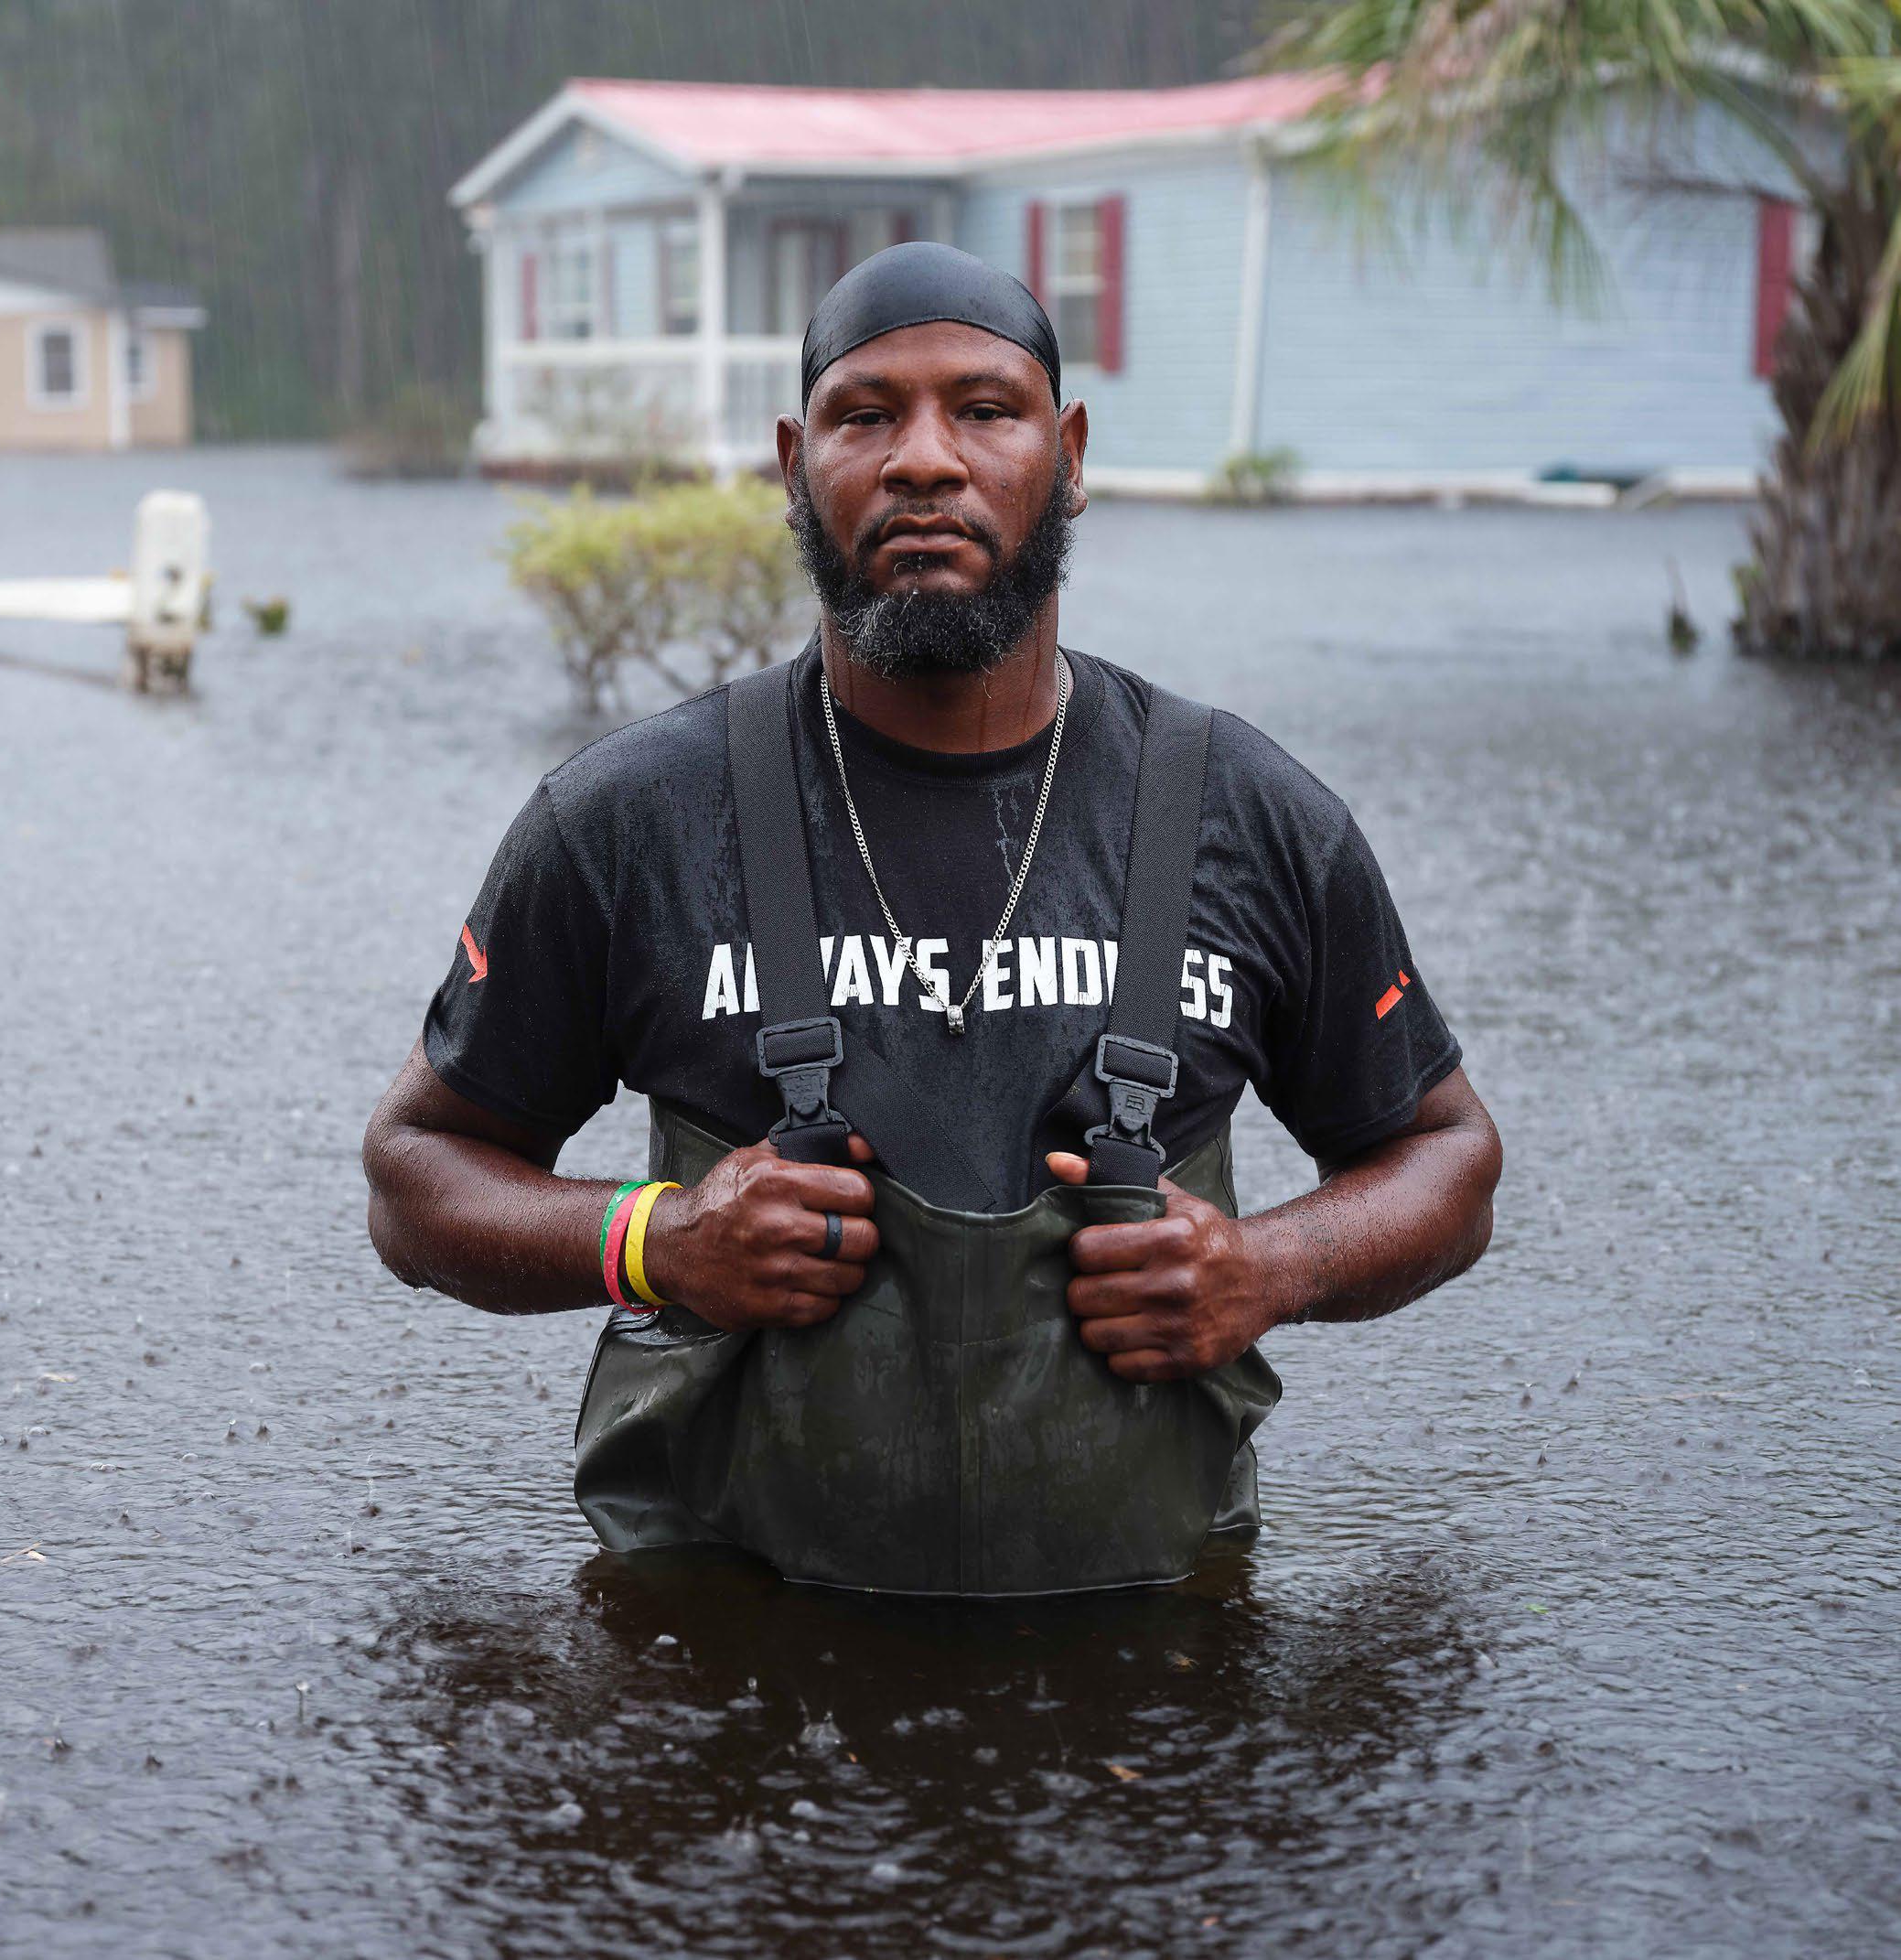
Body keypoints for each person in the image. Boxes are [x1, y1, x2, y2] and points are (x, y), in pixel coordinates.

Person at [362, 242, 1502, 1596]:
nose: (922, 460)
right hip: (740, 1673)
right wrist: (654, 1240)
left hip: (1141, 1652)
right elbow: (412, 1176)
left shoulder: (1241, 813)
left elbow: (1451, 1162)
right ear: (795, 463)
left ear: (1067, 453)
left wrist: (1264, 1266)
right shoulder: (630, 817)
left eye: (982, 408)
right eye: (864, 415)